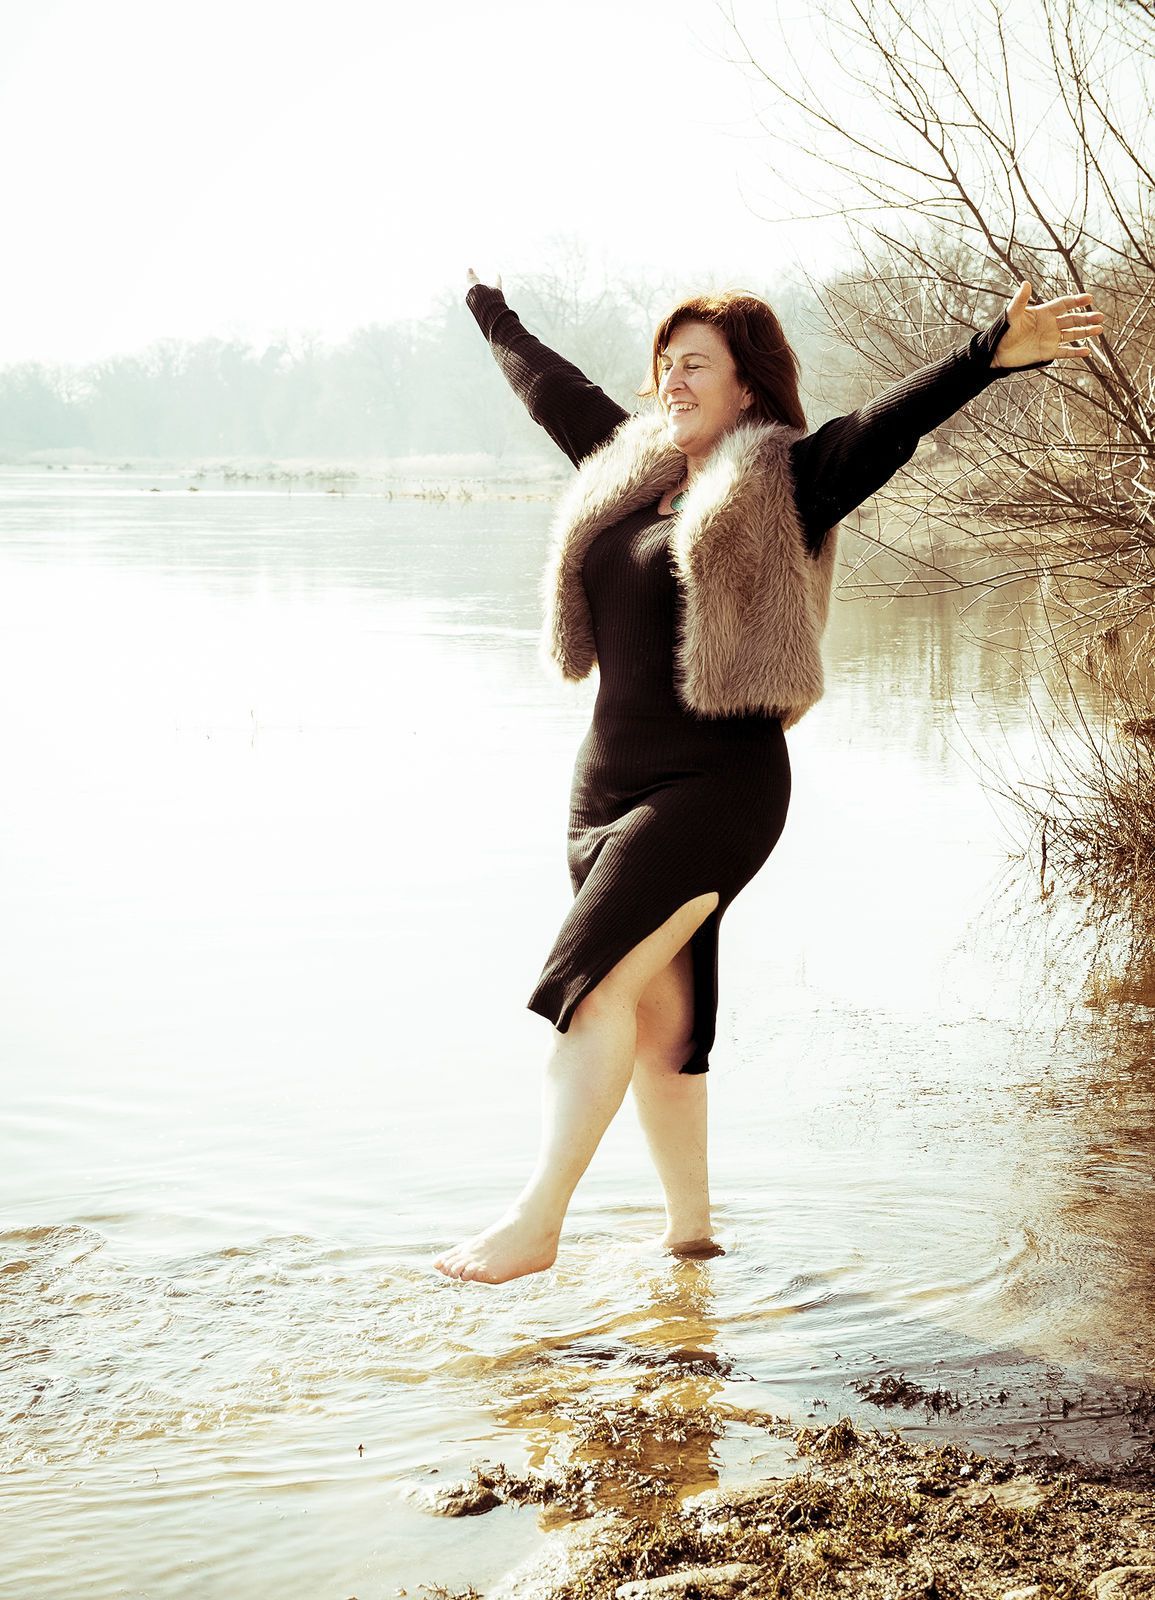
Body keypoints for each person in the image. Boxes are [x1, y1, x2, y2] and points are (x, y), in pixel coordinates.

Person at [433, 271, 1105, 1286]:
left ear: (746, 386)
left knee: (592, 987)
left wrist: (987, 353)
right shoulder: (632, 470)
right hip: (604, 792)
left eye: (695, 365)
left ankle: (537, 1222)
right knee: (661, 1022)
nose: (672, 380)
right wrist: (491, 312)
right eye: (664, 363)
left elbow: (882, 428)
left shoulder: (785, 481)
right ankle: (692, 1243)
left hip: (717, 788)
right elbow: (551, 390)